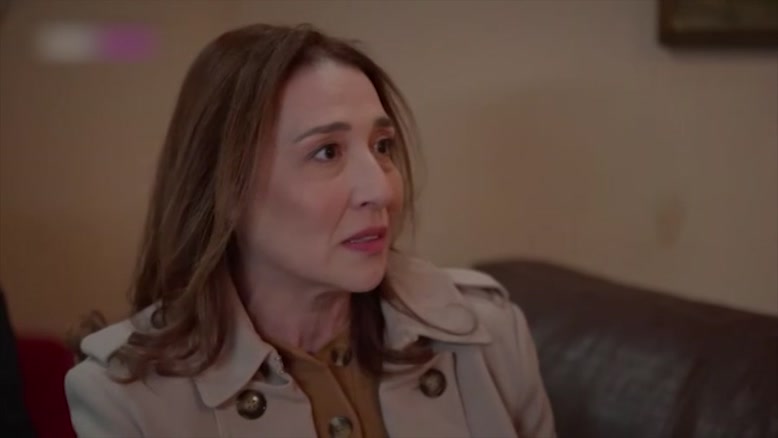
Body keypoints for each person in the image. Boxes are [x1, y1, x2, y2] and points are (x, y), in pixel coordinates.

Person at [64, 23, 555, 438]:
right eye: (327, 152)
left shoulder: (491, 332)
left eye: (382, 146)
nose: (380, 190)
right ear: (225, 187)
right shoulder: (124, 399)